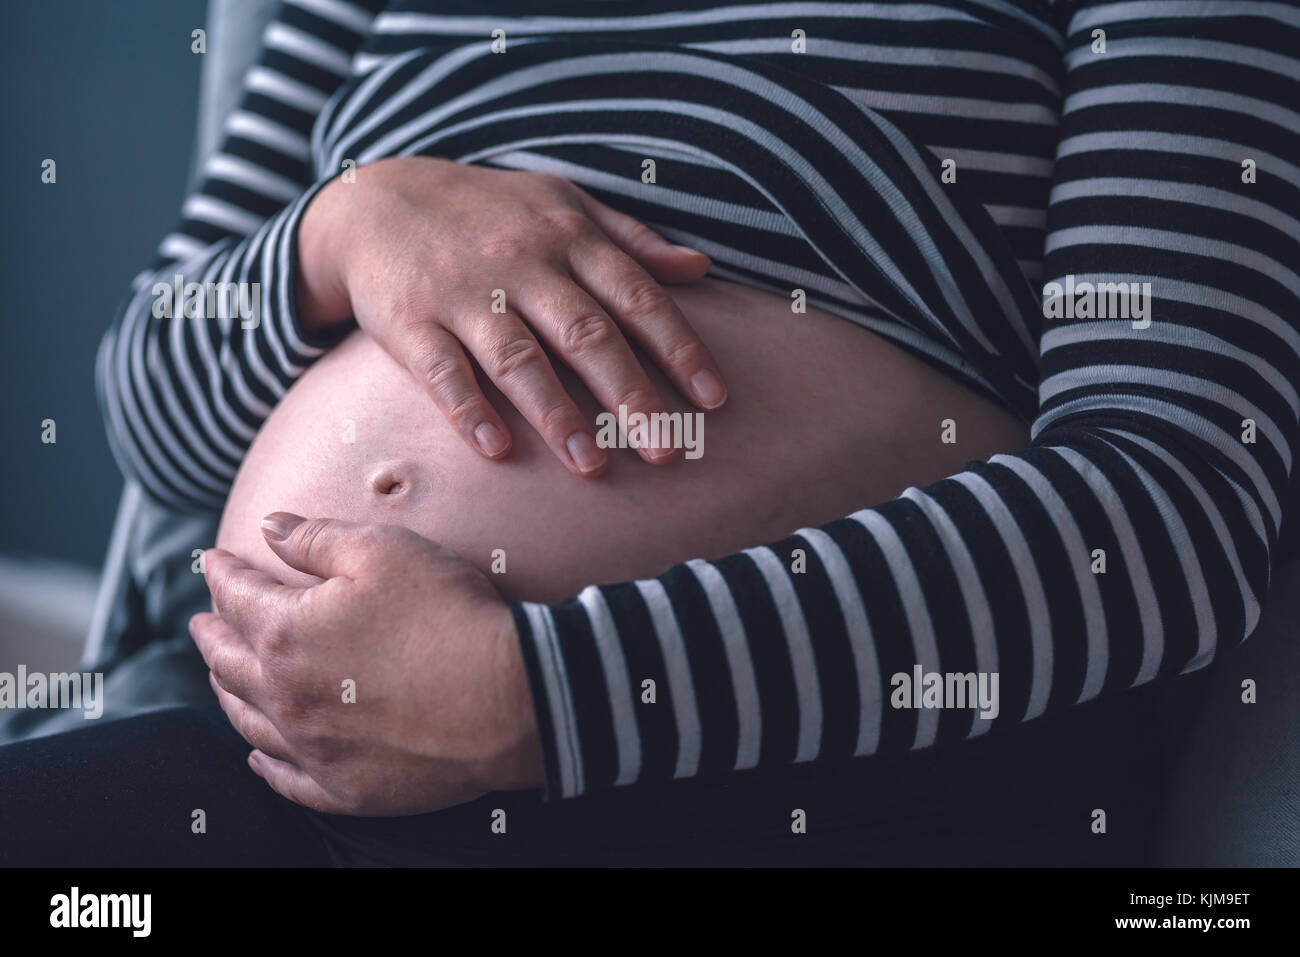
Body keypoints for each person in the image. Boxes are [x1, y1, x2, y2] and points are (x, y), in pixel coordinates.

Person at [2, 0, 1297, 865]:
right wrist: (337, 234)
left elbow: (1173, 504)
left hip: (807, 775)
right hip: (292, 773)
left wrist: (553, 695)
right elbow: (149, 406)